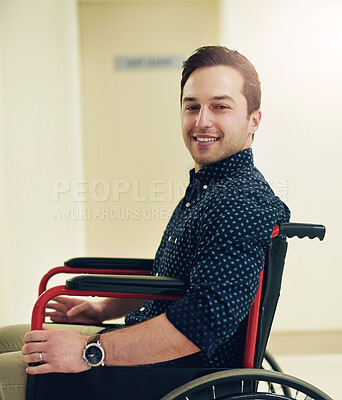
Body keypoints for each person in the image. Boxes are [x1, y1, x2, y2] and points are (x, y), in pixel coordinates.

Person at [0, 45, 290, 399]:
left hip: (181, 375)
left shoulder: (238, 200)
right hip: (152, 356)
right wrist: (102, 309)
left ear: (254, 120)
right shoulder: (210, 186)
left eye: (220, 106)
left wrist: (89, 350)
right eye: (192, 106)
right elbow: (170, 280)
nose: (202, 121)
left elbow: (202, 323)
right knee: (7, 339)